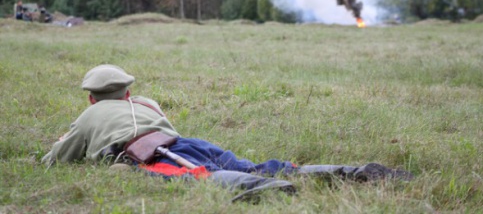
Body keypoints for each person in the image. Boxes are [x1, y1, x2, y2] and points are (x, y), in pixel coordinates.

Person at [43, 65, 413, 201]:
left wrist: (58, 144)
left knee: (203, 178)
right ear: (127, 92)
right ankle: (348, 172)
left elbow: (56, 160)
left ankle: (270, 193)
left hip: (155, 154)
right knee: (257, 165)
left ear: (91, 98)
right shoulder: (147, 102)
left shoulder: (90, 116)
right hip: (188, 143)